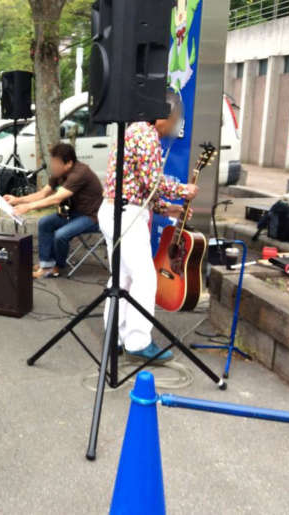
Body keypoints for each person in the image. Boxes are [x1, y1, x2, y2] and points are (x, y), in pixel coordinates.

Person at [99, 90, 198, 363]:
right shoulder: (146, 134)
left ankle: (114, 336)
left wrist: (168, 208)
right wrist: (182, 190)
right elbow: (152, 181)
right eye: (176, 118)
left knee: (121, 278)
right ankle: (138, 342)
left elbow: (141, 188)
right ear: (163, 114)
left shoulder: (135, 130)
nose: (177, 125)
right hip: (126, 215)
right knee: (144, 278)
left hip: (115, 210)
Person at [4, 143, 103, 279]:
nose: (52, 166)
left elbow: (56, 198)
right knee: (45, 222)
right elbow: (42, 194)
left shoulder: (80, 173)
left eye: (55, 163)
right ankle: (46, 265)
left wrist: (28, 207)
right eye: (52, 162)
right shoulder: (59, 172)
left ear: (68, 163)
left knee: (61, 235)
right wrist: (17, 200)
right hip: (74, 213)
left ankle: (57, 266)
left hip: (92, 216)